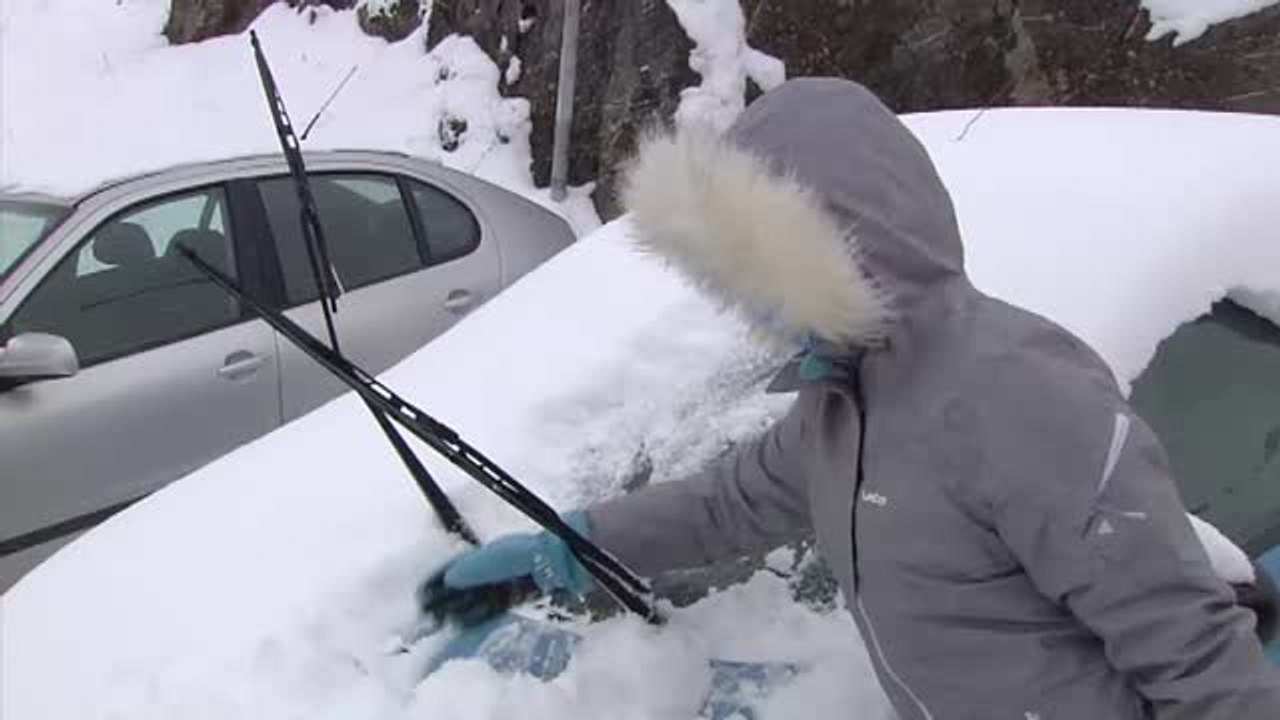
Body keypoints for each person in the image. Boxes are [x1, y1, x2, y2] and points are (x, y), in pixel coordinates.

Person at [420, 78, 1280, 719]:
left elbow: (1191, 647)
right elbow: (726, 505)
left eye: (764, 274)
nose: (751, 305)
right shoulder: (845, 405)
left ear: (839, 253)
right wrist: (570, 546)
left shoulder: (1021, 392)